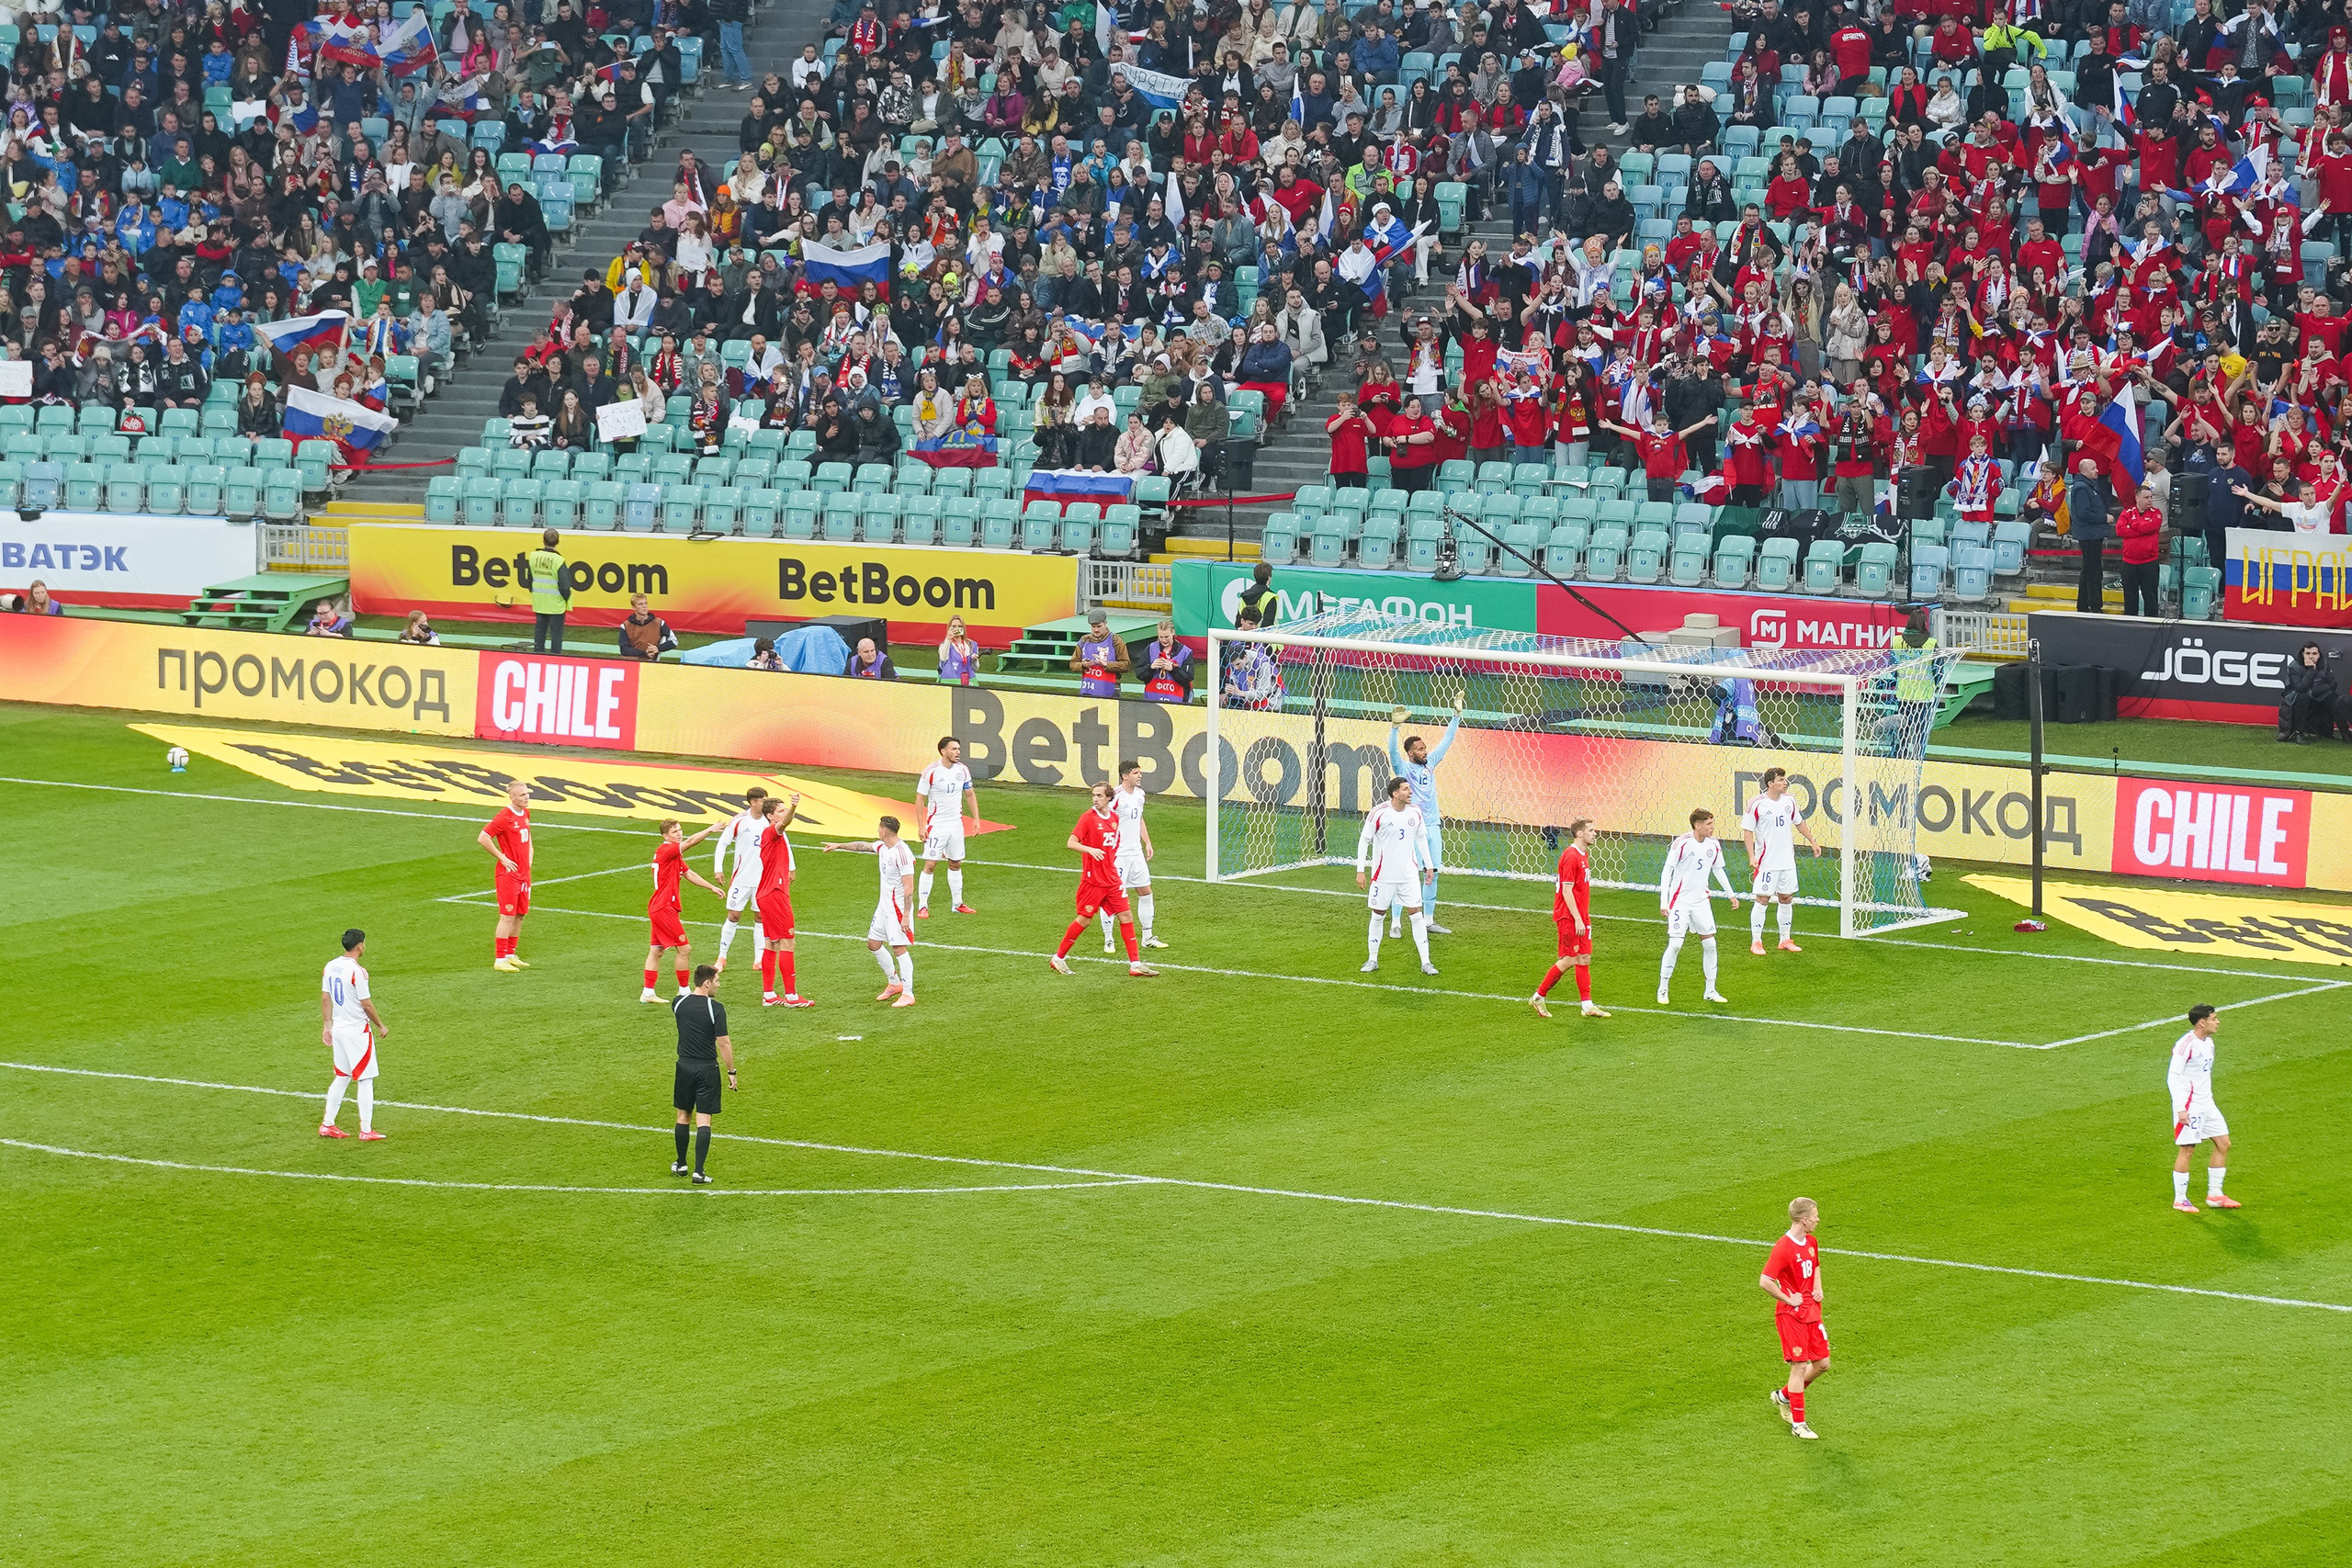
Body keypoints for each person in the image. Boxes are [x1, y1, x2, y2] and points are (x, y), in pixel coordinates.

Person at [1047, 781, 1158, 977]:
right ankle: (1058, 958)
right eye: (1094, 795)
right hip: (1094, 881)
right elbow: (1071, 842)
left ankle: (1135, 964)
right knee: (1085, 920)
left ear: (1109, 798)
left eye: (1099, 795)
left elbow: (1112, 846)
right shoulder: (1088, 818)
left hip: (1112, 878)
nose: (1095, 799)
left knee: (1126, 916)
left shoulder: (1114, 818)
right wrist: (1090, 849)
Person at [823, 817, 920, 1007]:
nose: (877, 831)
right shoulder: (883, 847)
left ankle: (908, 994)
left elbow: (909, 887)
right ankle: (894, 983)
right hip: (884, 906)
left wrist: (906, 915)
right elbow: (862, 846)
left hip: (897, 909)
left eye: (879, 828)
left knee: (899, 948)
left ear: (884, 830)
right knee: (873, 943)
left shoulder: (902, 853)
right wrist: (838, 845)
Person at [1388, 692, 1463, 933]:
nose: (1425, 751)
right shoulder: (1403, 767)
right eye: (1420, 749)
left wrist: (1456, 715)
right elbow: (1392, 753)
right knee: (1407, 873)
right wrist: (1395, 728)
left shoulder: (1430, 764)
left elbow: (1447, 741)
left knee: (1434, 872)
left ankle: (1428, 920)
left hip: (1432, 825)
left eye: (1424, 748)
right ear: (1411, 753)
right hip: (1412, 825)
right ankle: (1397, 922)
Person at [1761, 1196, 1829, 1439]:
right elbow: (1765, 1281)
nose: (1818, 1219)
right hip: (1791, 1315)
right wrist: (1789, 1299)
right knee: (1799, 1366)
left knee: (1822, 1364)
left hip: (1812, 1311)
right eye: (1815, 1215)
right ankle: (1798, 1424)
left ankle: (1783, 1396)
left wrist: (1818, 1287)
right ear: (1804, 1219)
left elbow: (1816, 1265)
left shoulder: (1811, 1241)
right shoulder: (1783, 1248)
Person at [1357, 775, 1439, 976]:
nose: (1410, 792)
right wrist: (1360, 870)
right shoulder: (1379, 813)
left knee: (1417, 916)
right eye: (1405, 789)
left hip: (1408, 876)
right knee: (1378, 916)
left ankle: (1426, 962)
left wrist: (1429, 866)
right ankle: (1372, 959)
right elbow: (1364, 841)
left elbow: (1420, 839)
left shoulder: (1415, 812)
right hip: (1383, 876)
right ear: (1395, 794)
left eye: (1409, 789)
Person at [1657, 807, 1737, 1006]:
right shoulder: (1682, 844)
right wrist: (1664, 901)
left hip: (1701, 902)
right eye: (1709, 824)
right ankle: (1663, 988)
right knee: (1675, 944)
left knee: (1710, 944)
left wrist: (1731, 894)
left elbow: (1718, 870)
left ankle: (1710, 991)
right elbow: (1667, 871)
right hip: (1680, 902)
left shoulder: (1714, 844)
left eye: (1712, 823)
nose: (1712, 828)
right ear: (1697, 825)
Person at [1530, 818, 1608, 1019]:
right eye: (1590, 830)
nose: (1595, 833)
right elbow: (1566, 890)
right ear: (1579, 833)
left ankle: (1587, 1005)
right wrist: (1578, 919)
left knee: (1584, 957)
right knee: (1569, 959)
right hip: (1569, 916)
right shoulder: (1571, 856)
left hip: (1580, 915)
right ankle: (1539, 996)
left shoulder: (1583, 855)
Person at [1742, 766, 1822, 955]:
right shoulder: (1757, 803)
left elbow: (1799, 822)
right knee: (1762, 899)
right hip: (1766, 862)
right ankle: (1756, 942)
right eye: (1780, 780)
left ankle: (1785, 939)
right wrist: (1752, 856)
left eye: (1785, 779)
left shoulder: (1790, 801)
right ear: (1770, 783)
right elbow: (1747, 831)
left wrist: (1812, 841)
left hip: (1787, 861)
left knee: (1786, 898)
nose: (1785, 783)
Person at [669, 964, 737, 1185]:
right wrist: (731, 1071)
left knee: (682, 1116)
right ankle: (699, 1171)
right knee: (704, 1120)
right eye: (716, 981)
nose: (719, 985)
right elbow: (723, 1043)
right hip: (707, 1068)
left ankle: (681, 1164)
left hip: (684, 1067)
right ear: (706, 983)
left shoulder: (678, 1003)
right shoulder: (715, 1008)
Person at [318, 928, 388, 1141]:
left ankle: (327, 1124)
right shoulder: (358, 971)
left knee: (342, 1076)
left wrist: (327, 1026)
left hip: (338, 1029)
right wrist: (380, 1025)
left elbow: (325, 998)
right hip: (357, 1030)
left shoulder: (330, 966)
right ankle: (366, 1130)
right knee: (365, 1079)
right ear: (360, 945)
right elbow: (366, 1004)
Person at [642, 819, 722, 1003]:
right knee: (684, 949)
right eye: (674, 831)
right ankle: (684, 991)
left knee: (656, 950)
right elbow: (691, 842)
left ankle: (647, 992)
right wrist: (709, 828)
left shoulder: (672, 854)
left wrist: (711, 887)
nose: (679, 834)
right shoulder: (667, 850)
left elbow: (688, 873)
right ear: (665, 836)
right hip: (664, 908)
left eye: (680, 830)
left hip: (659, 906)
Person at [2170, 1003, 2239, 1212]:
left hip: (2207, 1103)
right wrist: (2181, 1108)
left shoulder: (2208, 1043)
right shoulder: (2185, 1044)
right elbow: (2172, 1077)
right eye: (2214, 1018)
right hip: (2190, 1106)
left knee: (2223, 1143)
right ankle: (2180, 1199)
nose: (2217, 1022)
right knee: (2188, 1149)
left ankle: (2215, 1195)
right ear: (2202, 1022)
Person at [1097, 759, 1167, 953]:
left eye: (1139, 772)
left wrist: (1147, 842)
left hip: (1136, 853)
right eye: (1136, 773)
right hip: (1118, 855)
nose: (1140, 776)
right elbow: (1102, 817)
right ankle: (1109, 939)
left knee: (1145, 891)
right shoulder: (1116, 796)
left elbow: (1139, 819)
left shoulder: (1140, 794)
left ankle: (1147, 937)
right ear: (1125, 776)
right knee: (1112, 897)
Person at [753, 793, 814, 1007]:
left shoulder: (769, 833)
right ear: (770, 816)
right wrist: (794, 807)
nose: (784, 814)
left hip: (766, 893)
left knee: (771, 943)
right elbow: (786, 822)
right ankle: (791, 996)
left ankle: (769, 994)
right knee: (788, 941)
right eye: (779, 811)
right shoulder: (772, 831)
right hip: (775, 893)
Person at [915, 736, 979, 917]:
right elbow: (920, 799)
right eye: (954, 749)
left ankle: (957, 904)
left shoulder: (963, 770)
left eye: (958, 749)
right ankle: (923, 906)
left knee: (955, 863)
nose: (958, 752)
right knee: (930, 864)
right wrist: (921, 826)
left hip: (956, 825)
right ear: (944, 751)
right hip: (937, 825)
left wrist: (976, 819)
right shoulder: (931, 772)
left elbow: (970, 794)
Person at [709, 786, 771, 971]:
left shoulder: (770, 821)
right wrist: (718, 869)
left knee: (760, 917)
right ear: (753, 802)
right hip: (741, 879)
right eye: (762, 800)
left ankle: (759, 959)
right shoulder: (739, 821)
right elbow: (722, 843)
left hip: (763, 880)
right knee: (733, 915)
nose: (765, 803)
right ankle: (722, 957)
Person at [477, 779, 535, 972]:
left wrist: (529, 860)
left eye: (527, 794)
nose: (526, 798)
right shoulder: (504, 817)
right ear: (512, 797)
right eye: (522, 795)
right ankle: (500, 959)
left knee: (520, 915)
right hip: (508, 875)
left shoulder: (525, 813)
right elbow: (483, 837)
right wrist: (502, 857)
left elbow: (529, 839)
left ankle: (511, 953)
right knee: (507, 916)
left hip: (524, 873)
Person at [2067, 459, 2111, 615]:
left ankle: (2084, 605)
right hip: (2089, 535)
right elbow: (2084, 513)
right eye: (2093, 468)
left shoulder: (2088, 485)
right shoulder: (2082, 488)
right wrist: (2104, 518)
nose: (2097, 470)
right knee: (2093, 572)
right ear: (2084, 471)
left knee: (2088, 571)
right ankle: (2095, 606)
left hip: (2092, 534)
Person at [2279, 643, 2338, 744]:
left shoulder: (2324, 663)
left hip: (2317, 693)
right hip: (2294, 697)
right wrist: (2312, 670)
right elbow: (2301, 688)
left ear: (2319, 655)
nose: (2311, 656)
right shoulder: (2294, 666)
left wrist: (2314, 691)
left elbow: (2333, 684)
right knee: (2303, 697)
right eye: (2308, 653)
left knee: (2333, 697)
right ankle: (2298, 733)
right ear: (2303, 654)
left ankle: (2341, 733)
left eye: (2314, 653)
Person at [526, 528, 570, 653]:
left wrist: (535, 592)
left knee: (539, 633)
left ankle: (538, 656)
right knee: (556, 635)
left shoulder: (534, 557)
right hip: (556, 603)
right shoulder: (558, 560)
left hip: (540, 601)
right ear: (557, 541)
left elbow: (529, 579)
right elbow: (565, 585)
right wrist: (565, 597)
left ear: (543, 540)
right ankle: (555, 659)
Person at [1071, 605, 1130, 695]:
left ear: (1105, 624)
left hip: (1111, 689)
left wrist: (1107, 664)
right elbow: (1073, 664)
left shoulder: (1116, 640)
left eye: (1099, 626)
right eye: (1093, 626)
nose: (1096, 630)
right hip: (1088, 690)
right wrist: (1083, 665)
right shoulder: (1084, 641)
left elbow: (1126, 665)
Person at [1139, 615, 1195, 702]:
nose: (1164, 640)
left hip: (1178, 698)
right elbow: (1140, 674)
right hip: (1153, 696)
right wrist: (1151, 667)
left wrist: (1173, 669)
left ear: (1173, 633)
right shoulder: (1151, 648)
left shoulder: (1185, 652)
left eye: (1166, 637)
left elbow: (1188, 678)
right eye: (1161, 637)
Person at [616, 593, 676, 660]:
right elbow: (624, 650)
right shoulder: (625, 626)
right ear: (634, 607)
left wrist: (658, 648)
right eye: (640, 604)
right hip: (631, 662)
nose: (644, 606)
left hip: (650, 662)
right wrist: (645, 653)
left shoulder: (659, 623)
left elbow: (674, 641)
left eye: (645, 603)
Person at [937, 615, 981, 684]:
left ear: (963, 628)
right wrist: (948, 639)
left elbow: (975, 668)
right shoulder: (944, 645)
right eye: (954, 626)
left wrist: (975, 661)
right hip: (950, 682)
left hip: (970, 682)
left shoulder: (972, 645)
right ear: (949, 629)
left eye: (959, 626)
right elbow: (943, 658)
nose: (957, 628)